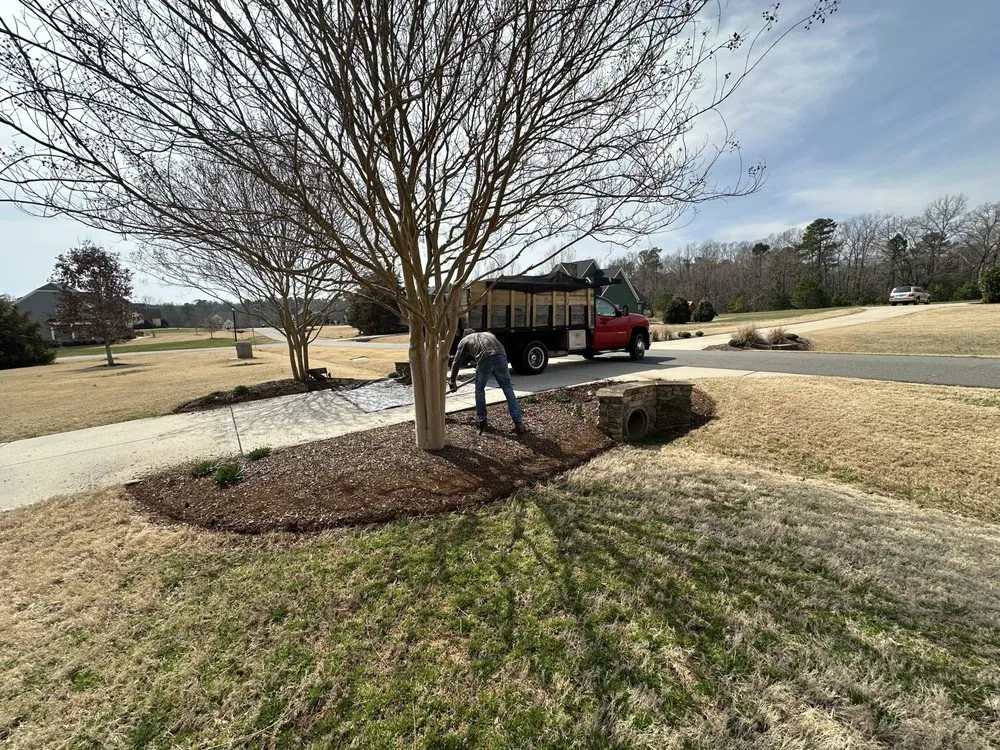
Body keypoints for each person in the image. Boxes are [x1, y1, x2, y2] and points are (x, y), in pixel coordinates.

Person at [449, 328, 526, 434]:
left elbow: (456, 362)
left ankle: (481, 420)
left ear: (465, 335)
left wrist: (452, 381)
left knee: (479, 390)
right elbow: (491, 353)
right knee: (508, 388)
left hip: (485, 358)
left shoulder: (465, 340)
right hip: (501, 357)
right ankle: (518, 422)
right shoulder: (488, 334)